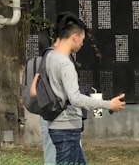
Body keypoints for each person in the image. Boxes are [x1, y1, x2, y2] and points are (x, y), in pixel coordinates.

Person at [45, 12, 126, 164]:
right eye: (82, 40)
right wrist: (109, 104)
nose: (82, 44)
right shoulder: (65, 63)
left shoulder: (50, 57)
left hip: (62, 126)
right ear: (74, 36)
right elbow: (75, 98)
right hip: (66, 129)